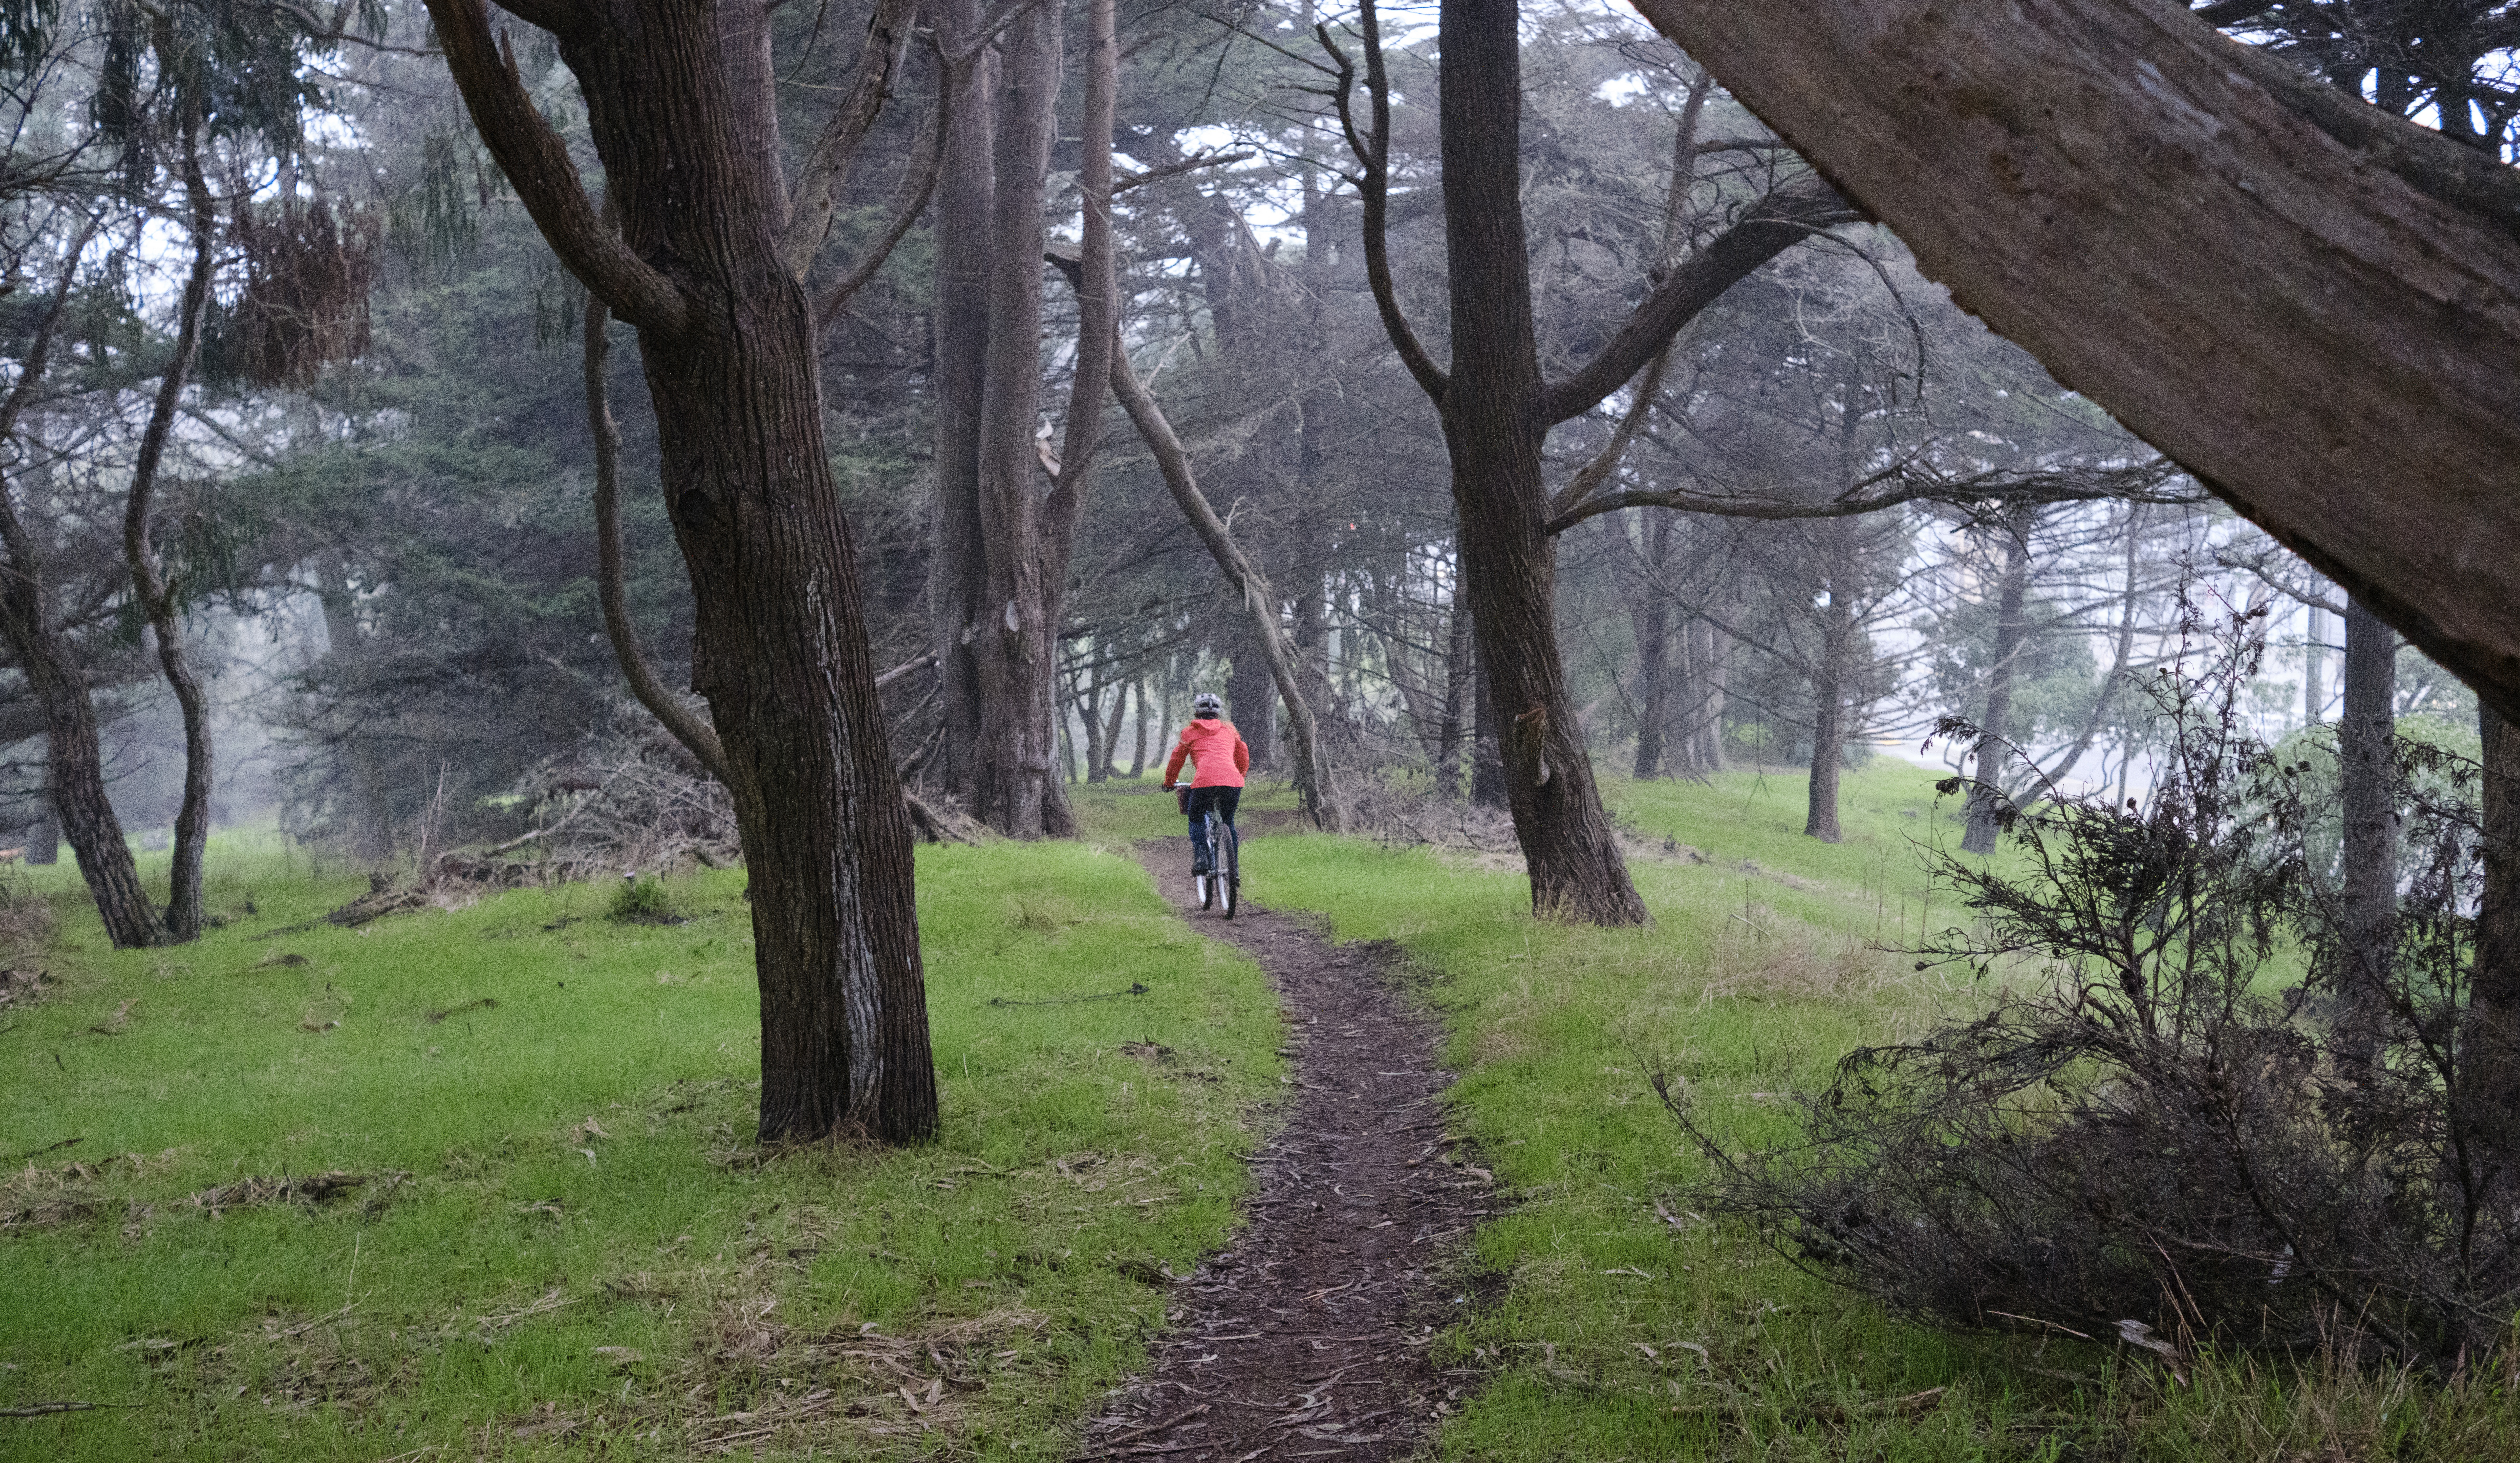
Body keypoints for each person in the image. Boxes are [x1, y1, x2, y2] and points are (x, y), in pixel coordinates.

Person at [1162, 691, 1249, 878]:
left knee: (1196, 817)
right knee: (1229, 821)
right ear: (1218, 714)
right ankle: (1235, 868)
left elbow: (1177, 759)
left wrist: (1169, 783)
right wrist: (1239, 776)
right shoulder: (1230, 730)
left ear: (1196, 713)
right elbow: (1243, 752)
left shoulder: (1189, 733)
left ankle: (1201, 857)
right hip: (1233, 783)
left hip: (1204, 783)